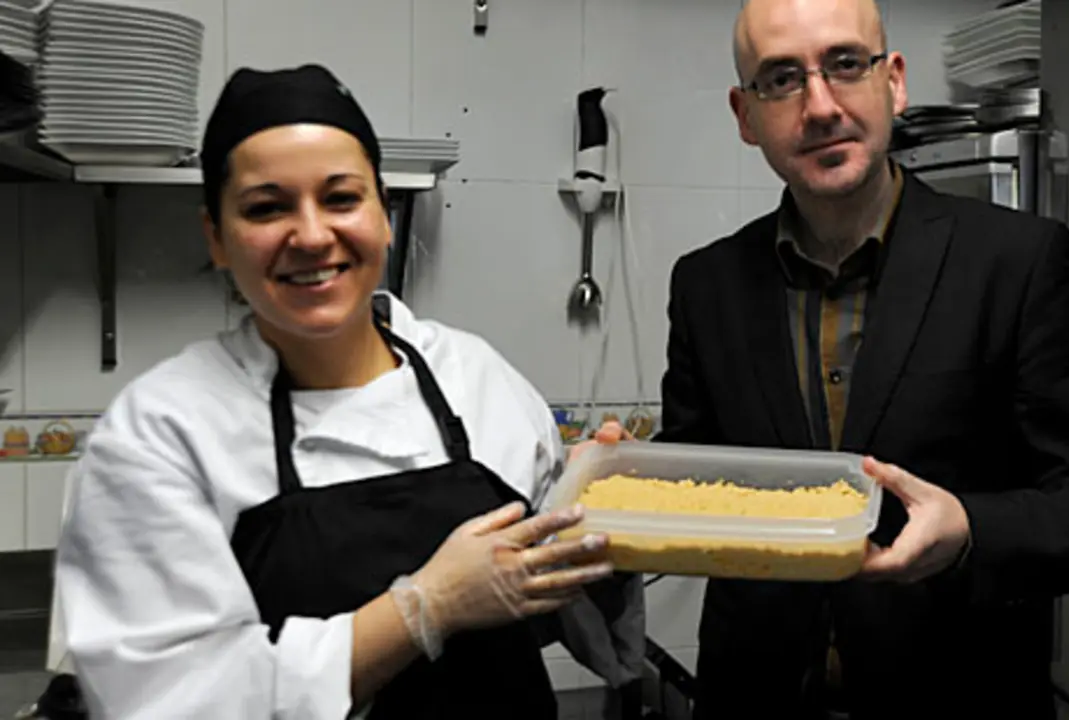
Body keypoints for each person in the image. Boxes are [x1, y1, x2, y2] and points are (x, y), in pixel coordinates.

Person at [589, 0, 1069, 717]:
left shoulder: (1018, 262)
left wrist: (969, 531)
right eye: (782, 79)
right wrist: (630, 485)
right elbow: (708, 476)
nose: (820, 106)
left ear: (895, 82)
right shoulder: (706, 286)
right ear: (744, 114)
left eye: (846, 64)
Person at [51, 64, 639, 719]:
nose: (310, 235)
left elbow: (558, 605)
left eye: (340, 198)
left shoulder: (477, 379)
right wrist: (424, 607)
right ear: (216, 236)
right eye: (266, 207)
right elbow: (168, 700)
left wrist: (596, 513)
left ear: (382, 215)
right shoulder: (162, 435)